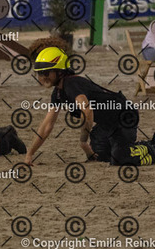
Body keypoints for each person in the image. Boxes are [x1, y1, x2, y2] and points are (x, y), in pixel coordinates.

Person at [24, 47, 155, 166]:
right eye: (39, 73)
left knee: (120, 158)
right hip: (106, 125)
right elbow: (47, 126)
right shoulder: (58, 93)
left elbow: (87, 112)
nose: (42, 77)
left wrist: (83, 141)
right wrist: (30, 154)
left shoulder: (71, 84)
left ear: (60, 71)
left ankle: (151, 147)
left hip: (124, 117)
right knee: (101, 156)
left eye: (46, 72)